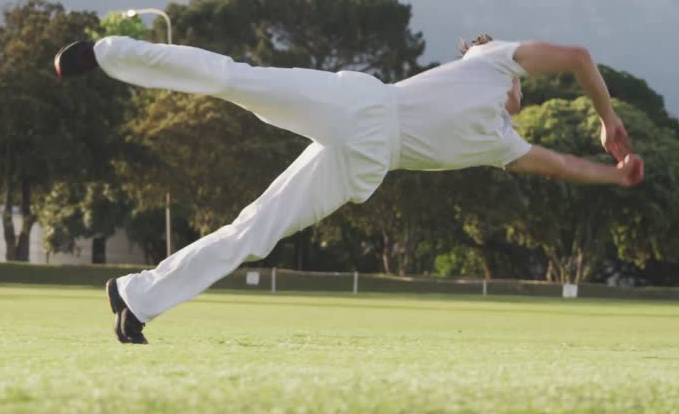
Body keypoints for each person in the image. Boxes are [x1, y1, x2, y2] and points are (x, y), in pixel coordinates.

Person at [54, 34, 644, 344]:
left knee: (254, 231)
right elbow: (578, 58)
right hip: (360, 104)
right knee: (235, 78)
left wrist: (616, 176)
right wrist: (607, 120)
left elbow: (565, 166)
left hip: (365, 163)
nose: (524, 99)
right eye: (527, 90)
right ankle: (103, 54)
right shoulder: (492, 62)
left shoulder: (503, 144)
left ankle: (137, 298)